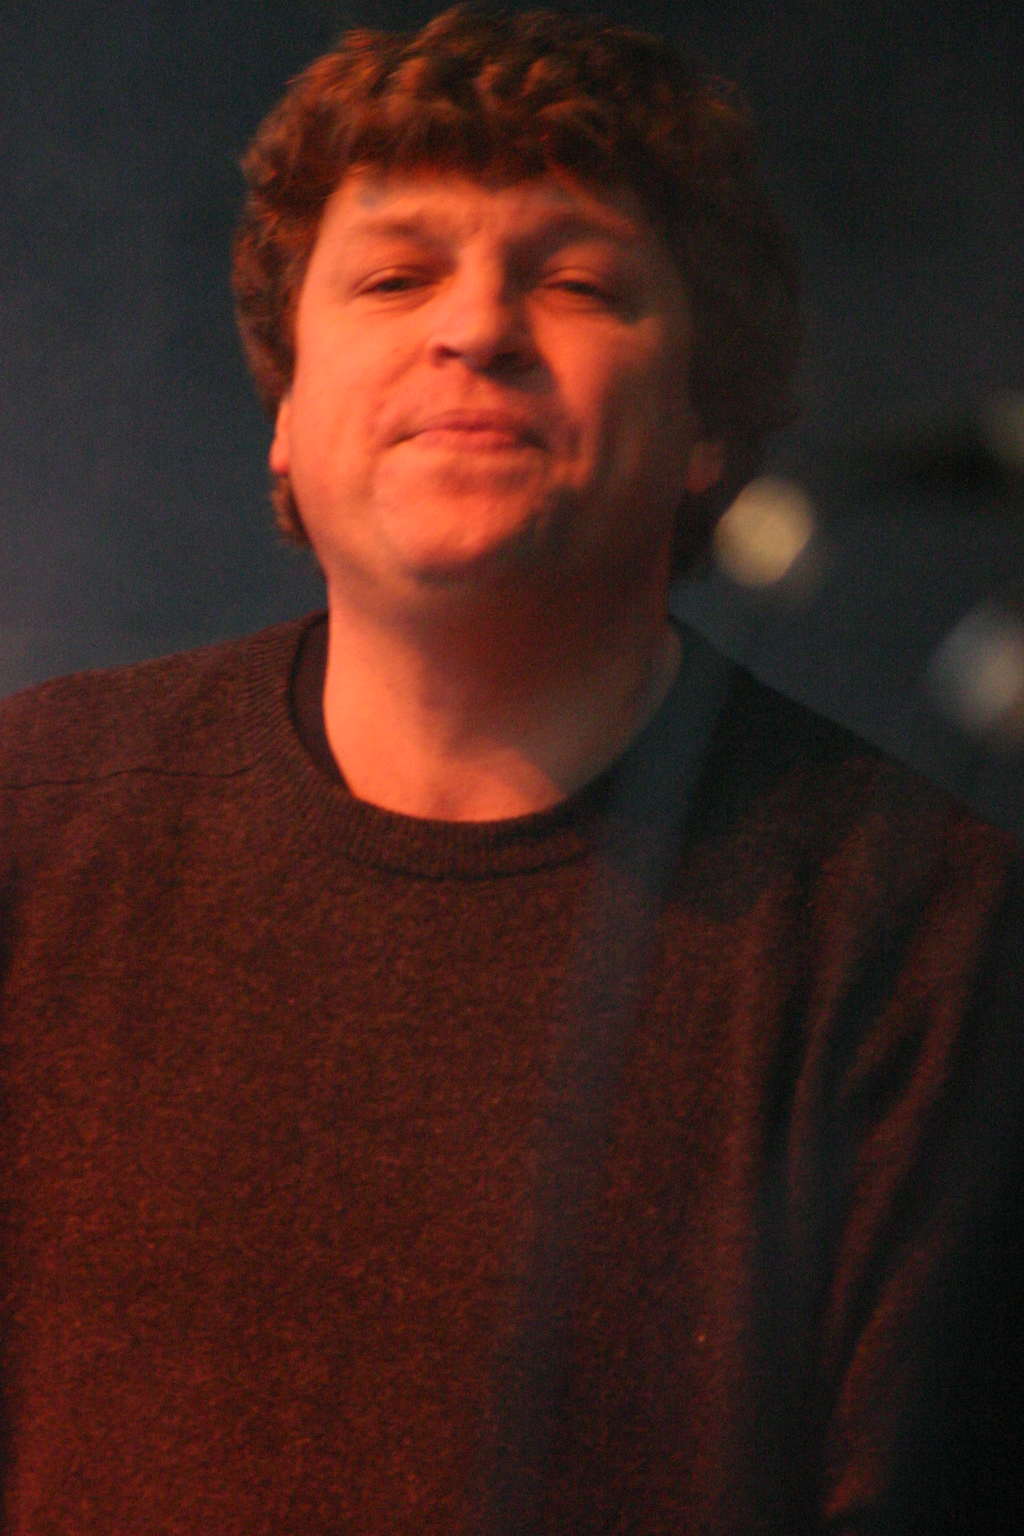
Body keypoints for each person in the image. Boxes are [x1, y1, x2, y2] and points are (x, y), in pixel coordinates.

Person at [0, 7, 1020, 1532]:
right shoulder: (31, 815)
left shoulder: (928, 935)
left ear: (706, 429)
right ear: (284, 415)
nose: (475, 329)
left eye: (578, 281)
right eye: (395, 277)